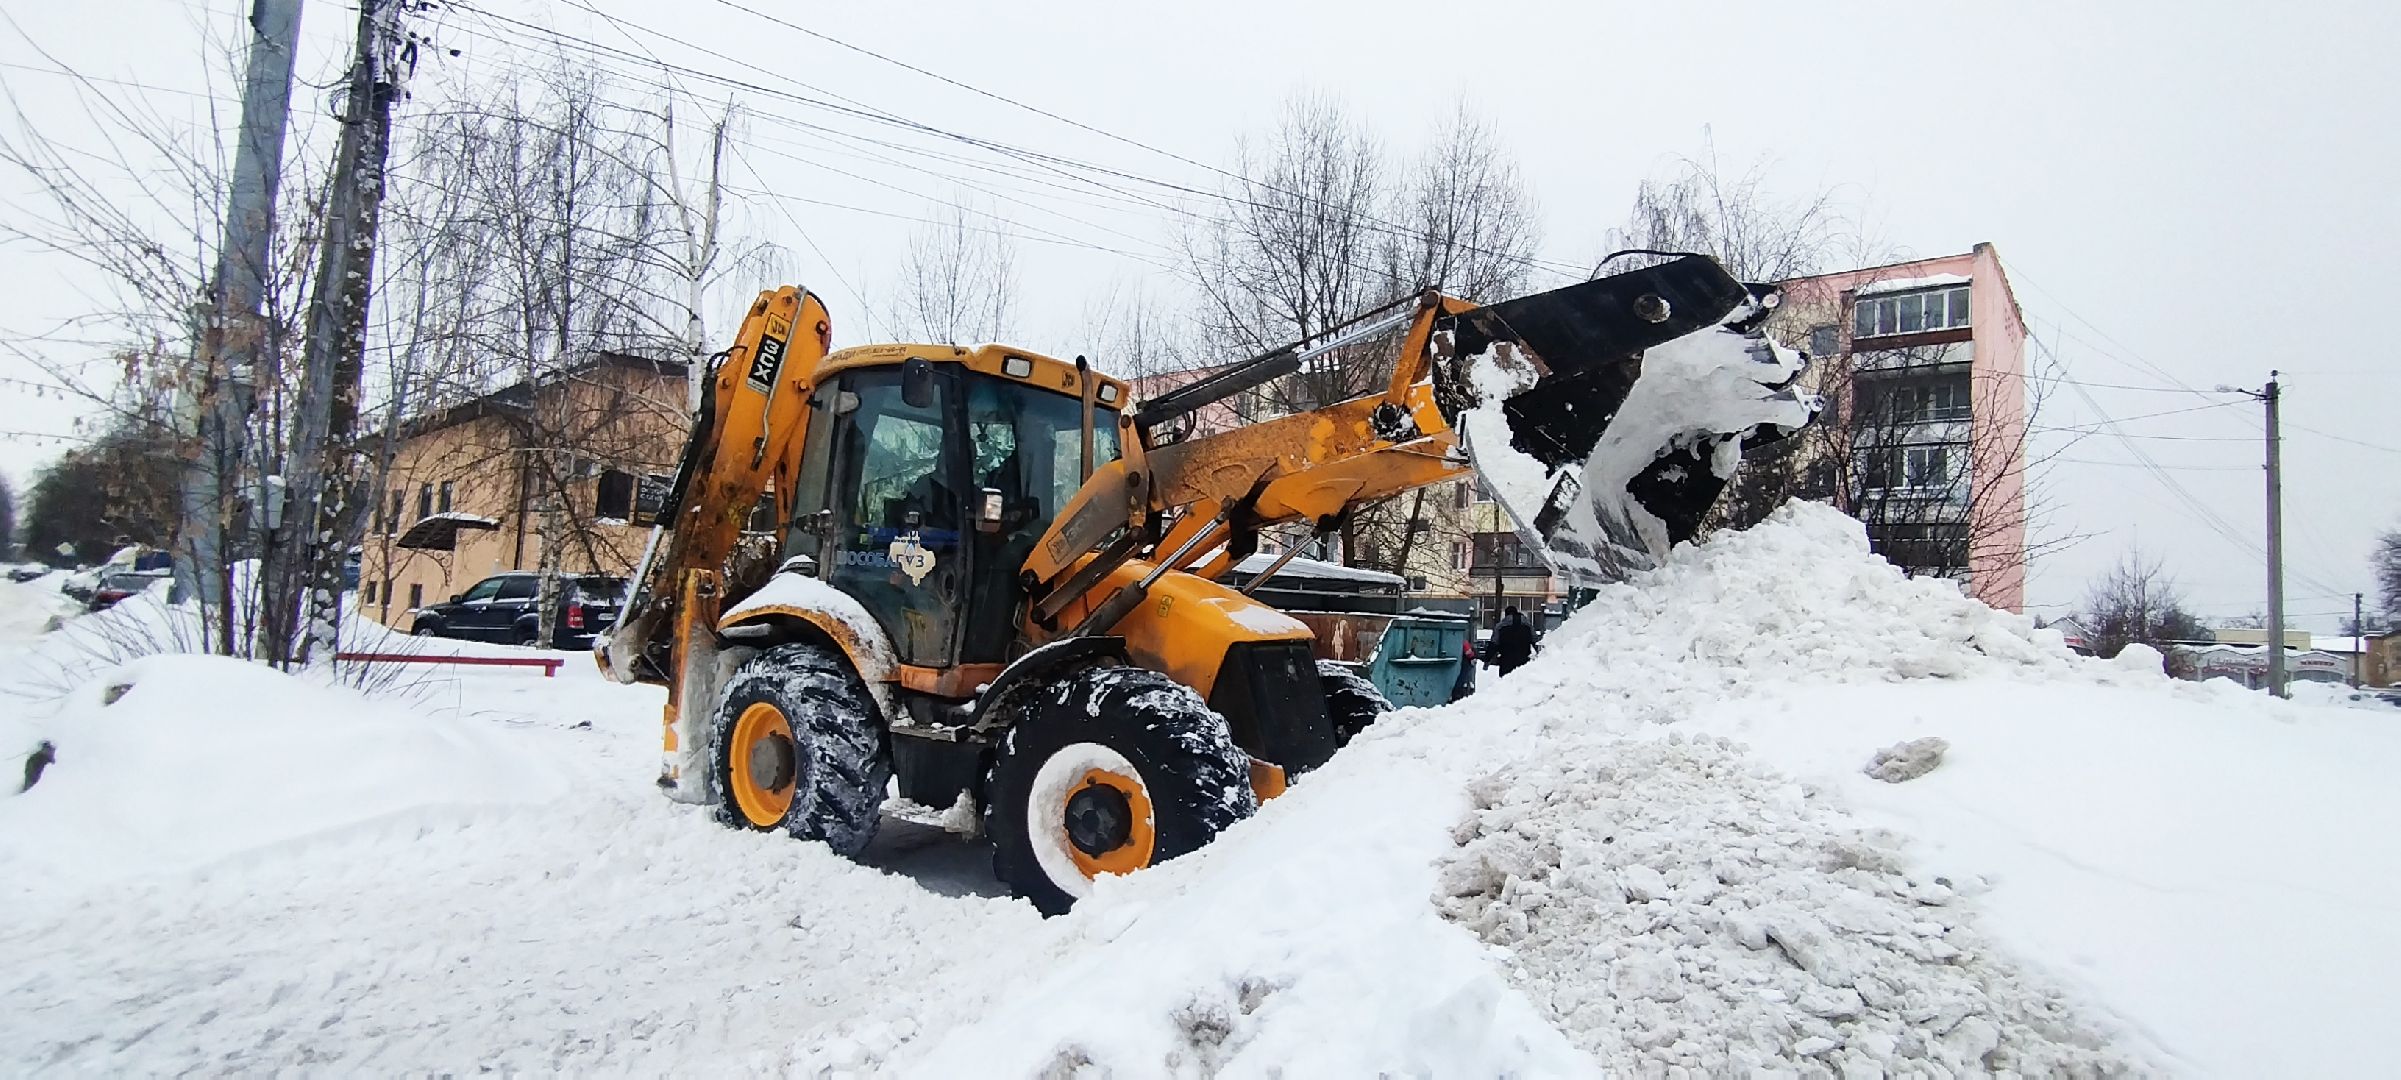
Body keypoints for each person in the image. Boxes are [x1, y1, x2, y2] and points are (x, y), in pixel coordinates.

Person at [1491, 606, 1536, 676]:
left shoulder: (1500, 627)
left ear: (1506, 614)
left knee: (1506, 682)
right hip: (1523, 660)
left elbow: (1494, 643)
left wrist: (1487, 660)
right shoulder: (1528, 626)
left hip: (1506, 661)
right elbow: (1535, 640)